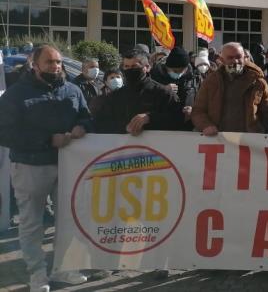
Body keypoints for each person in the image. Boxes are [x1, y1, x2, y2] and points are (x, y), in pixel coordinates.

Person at [0, 45, 91, 291]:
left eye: (59, 62)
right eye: (50, 62)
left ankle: (65, 269)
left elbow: (86, 115)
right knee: (32, 224)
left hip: (68, 167)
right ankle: (37, 275)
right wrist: (47, 140)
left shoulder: (73, 90)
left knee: (69, 220)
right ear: (34, 63)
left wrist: (83, 125)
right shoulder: (16, 95)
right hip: (31, 167)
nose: (56, 66)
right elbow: (5, 133)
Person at [94, 49, 183, 134]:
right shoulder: (115, 97)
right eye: (126, 66)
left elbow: (177, 119)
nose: (130, 70)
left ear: (147, 67)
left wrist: (150, 118)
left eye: (134, 66)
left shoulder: (164, 93)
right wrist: (125, 127)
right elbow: (102, 123)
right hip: (122, 148)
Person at [192, 42, 268, 135]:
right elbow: (198, 111)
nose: (235, 61)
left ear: (244, 58)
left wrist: (262, 133)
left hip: (250, 142)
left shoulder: (258, 82)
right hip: (218, 140)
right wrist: (206, 125)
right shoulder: (211, 82)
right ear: (222, 60)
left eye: (238, 57)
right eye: (230, 58)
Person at [149, 46, 199, 126]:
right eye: (175, 71)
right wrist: (163, 89)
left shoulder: (193, 78)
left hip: (187, 126)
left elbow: (201, 101)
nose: (178, 74)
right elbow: (149, 100)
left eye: (182, 70)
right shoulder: (155, 76)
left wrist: (194, 110)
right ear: (167, 67)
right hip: (162, 126)